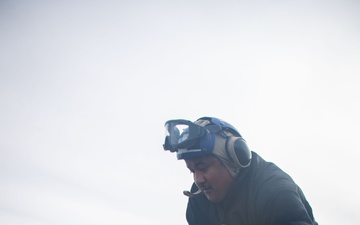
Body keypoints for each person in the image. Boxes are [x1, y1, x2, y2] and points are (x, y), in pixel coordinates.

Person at [163, 116, 318, 225]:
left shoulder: (274, 192)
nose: (198, 180)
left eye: (202, 168)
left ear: (234, 157)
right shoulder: (199, 199)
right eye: (192, 170)